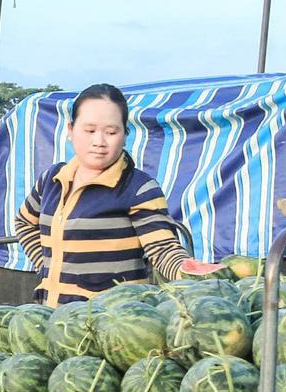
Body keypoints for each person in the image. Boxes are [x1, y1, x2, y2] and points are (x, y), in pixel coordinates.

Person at [11, 84, 187, 306]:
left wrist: (193, 273)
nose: (99, 142)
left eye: (111, 132)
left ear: (125, 136)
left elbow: (162, 250)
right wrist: (46, 265)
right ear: (70, 130)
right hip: (53, 319)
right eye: (90, 130)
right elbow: (24, 222)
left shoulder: (138, 187)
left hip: (112, 324)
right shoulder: (52, 179)